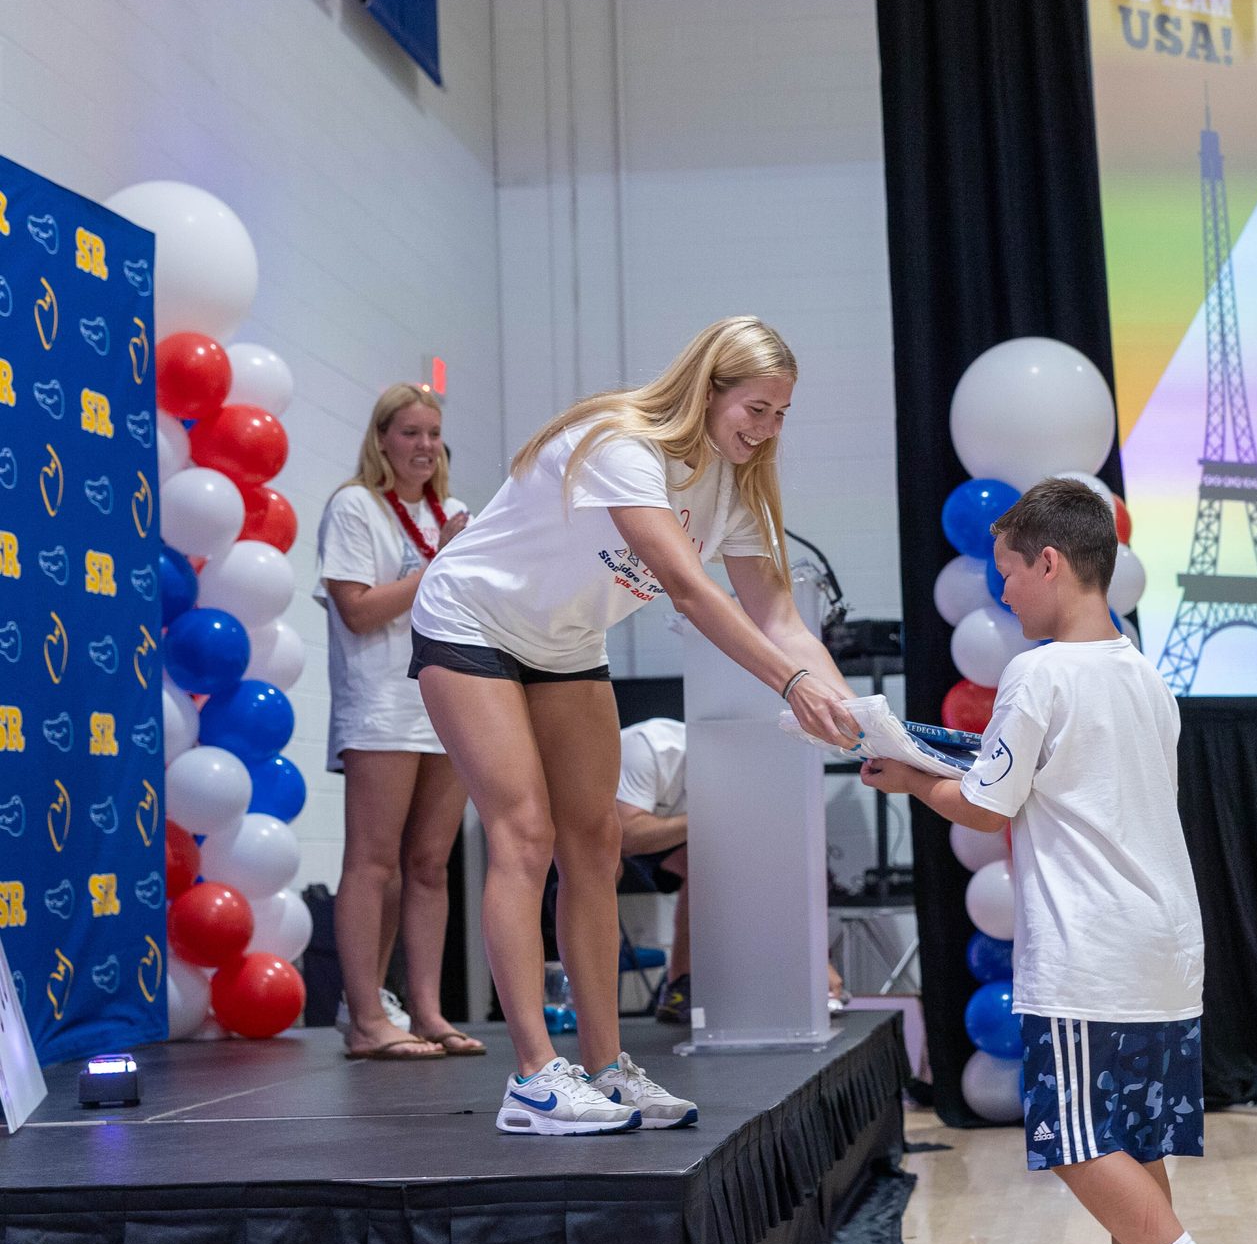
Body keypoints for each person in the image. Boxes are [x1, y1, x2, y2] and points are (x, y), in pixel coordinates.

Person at [861, 478, 1257, 1244]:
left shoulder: (1037, 675)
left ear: (1050, 562)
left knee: (1080, 1143)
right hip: (1165, 945)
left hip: (1089, 950)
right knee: (1136, 1139)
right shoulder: (1144, 674)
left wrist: (910, 780)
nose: (1001, 593)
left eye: (1007, 574)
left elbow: (988, 801)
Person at [410, 316, 861, 1134]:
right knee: (524, 833)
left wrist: (861, 716)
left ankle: (608, 1068)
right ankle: (536, 1077)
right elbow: (691, 593)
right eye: (755, 408)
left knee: (598, 843)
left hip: (566, 642)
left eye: (781, 414)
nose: (765, 432)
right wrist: (793, 687)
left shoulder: (737, 486)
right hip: (470, 619)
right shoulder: (621, 444)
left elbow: (781, 616)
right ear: (709, 389)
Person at [317, 383, 484, 1061]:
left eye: (433, 433)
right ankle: (364, 1018)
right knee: (374, 862)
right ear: (382, 438)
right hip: (381, 701)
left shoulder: (455, 511)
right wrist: (442, 560)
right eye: (410, 432)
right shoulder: (355, 506)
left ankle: (426, 1010)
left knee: (428, 865)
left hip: (447, 697)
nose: (424, 446)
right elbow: (357, 608)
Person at [610, 717, 849, 1024]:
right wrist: (717, 812)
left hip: (668, 820)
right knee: (598, 874)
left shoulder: (747, 783)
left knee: (720, 868)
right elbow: (625, 836)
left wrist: (815, 959)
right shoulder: (648, 748)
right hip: (603, 822)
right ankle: (584, 1009)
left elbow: (766, 879)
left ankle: (682, 985)